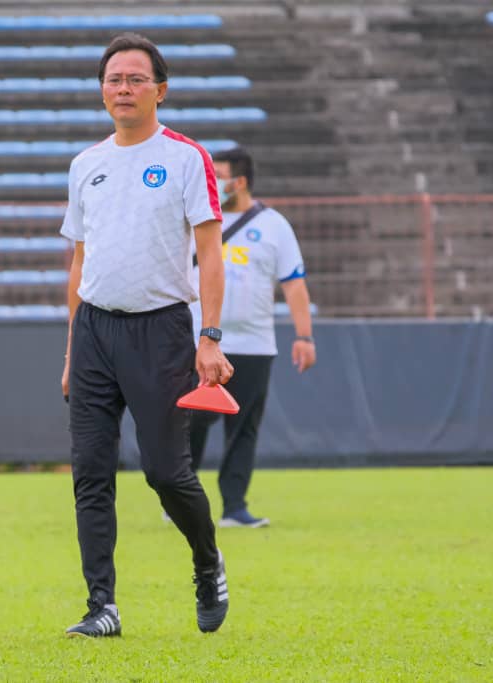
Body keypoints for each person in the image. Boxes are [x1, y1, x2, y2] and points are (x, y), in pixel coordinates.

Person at [59, 33, 235, 638]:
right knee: (90, 472)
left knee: (165, 473)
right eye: (114, 79)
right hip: (94, 332)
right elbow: (79, 263)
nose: (124, 88)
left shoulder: (186, 158)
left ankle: (207, 563)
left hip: (161, 331)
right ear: (101, 91)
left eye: (136, 79)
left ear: (160, 90)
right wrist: (71, 349)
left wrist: (209, 337)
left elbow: (211, 254)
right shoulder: (86, 165)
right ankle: (101, 606)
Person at [188, 146, 317, 528]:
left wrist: (304, 336)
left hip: (254, 344)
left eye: (218, 176)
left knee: (243, 428)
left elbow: (294, 284)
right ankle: (181, 492)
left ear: (240, 182)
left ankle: (234, 507)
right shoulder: (195, 219)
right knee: (191, 421)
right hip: (199, 344)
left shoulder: (274, 226)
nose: (211, 183)